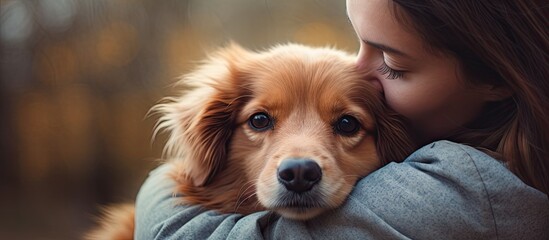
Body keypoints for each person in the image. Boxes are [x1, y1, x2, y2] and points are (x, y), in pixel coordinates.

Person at [135, 0, 549, 239]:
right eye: (260, 121)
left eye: (392, 61)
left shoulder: (466, 186)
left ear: (495, 77)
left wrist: (157, 187)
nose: (362, 70)